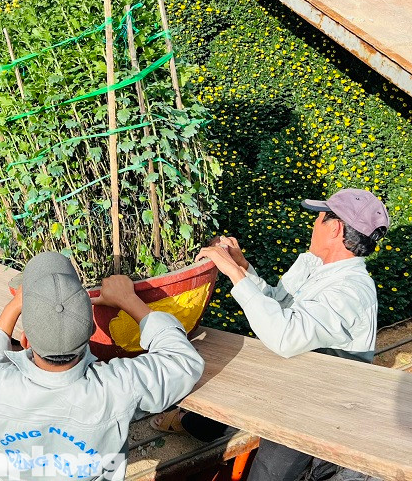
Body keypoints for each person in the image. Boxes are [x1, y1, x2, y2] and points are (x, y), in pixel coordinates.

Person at [155, 188, 388, 481]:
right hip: (292, 376)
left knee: (268, 472)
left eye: (318, 219)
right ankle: (199, 425)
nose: (313, 225)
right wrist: (243, 266)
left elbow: (285, 337)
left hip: (319, 401)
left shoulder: (350, 291)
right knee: (215, 411)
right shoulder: (316, 265)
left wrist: (233, 274)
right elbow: (278, 304)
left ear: (335, 227)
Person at [0, 251, 204, 480]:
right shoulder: (115, 389)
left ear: (25, 339)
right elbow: (183, 361)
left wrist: (13, 308)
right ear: (92, 330)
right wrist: (129, 300)